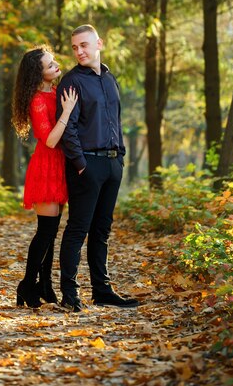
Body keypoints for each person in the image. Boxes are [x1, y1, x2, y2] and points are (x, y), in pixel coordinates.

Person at [56, 25, 139, 312]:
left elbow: (116, 118)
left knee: (102, 230)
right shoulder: (71, 82)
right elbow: (70, 130)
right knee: (78, 229)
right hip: (86, 165)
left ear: (99, 43)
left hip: (113, 163)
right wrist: (80, 164)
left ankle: (102, 291)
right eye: (75, 47)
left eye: (84, 45)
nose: (79, 51)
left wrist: (121, 157)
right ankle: (70, 293)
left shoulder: (110, 77)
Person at [12, 45, 78, 308]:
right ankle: (27, 285)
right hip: (47, 165)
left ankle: (45, 286)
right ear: (37, 74)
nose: (56, 66)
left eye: (54, 62)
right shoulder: (38, 101)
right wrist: (67, 112)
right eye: (50, 65)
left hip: (61, 165)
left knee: (51, 233)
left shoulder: (56, 91)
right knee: (46, 231)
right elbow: (50, 140)